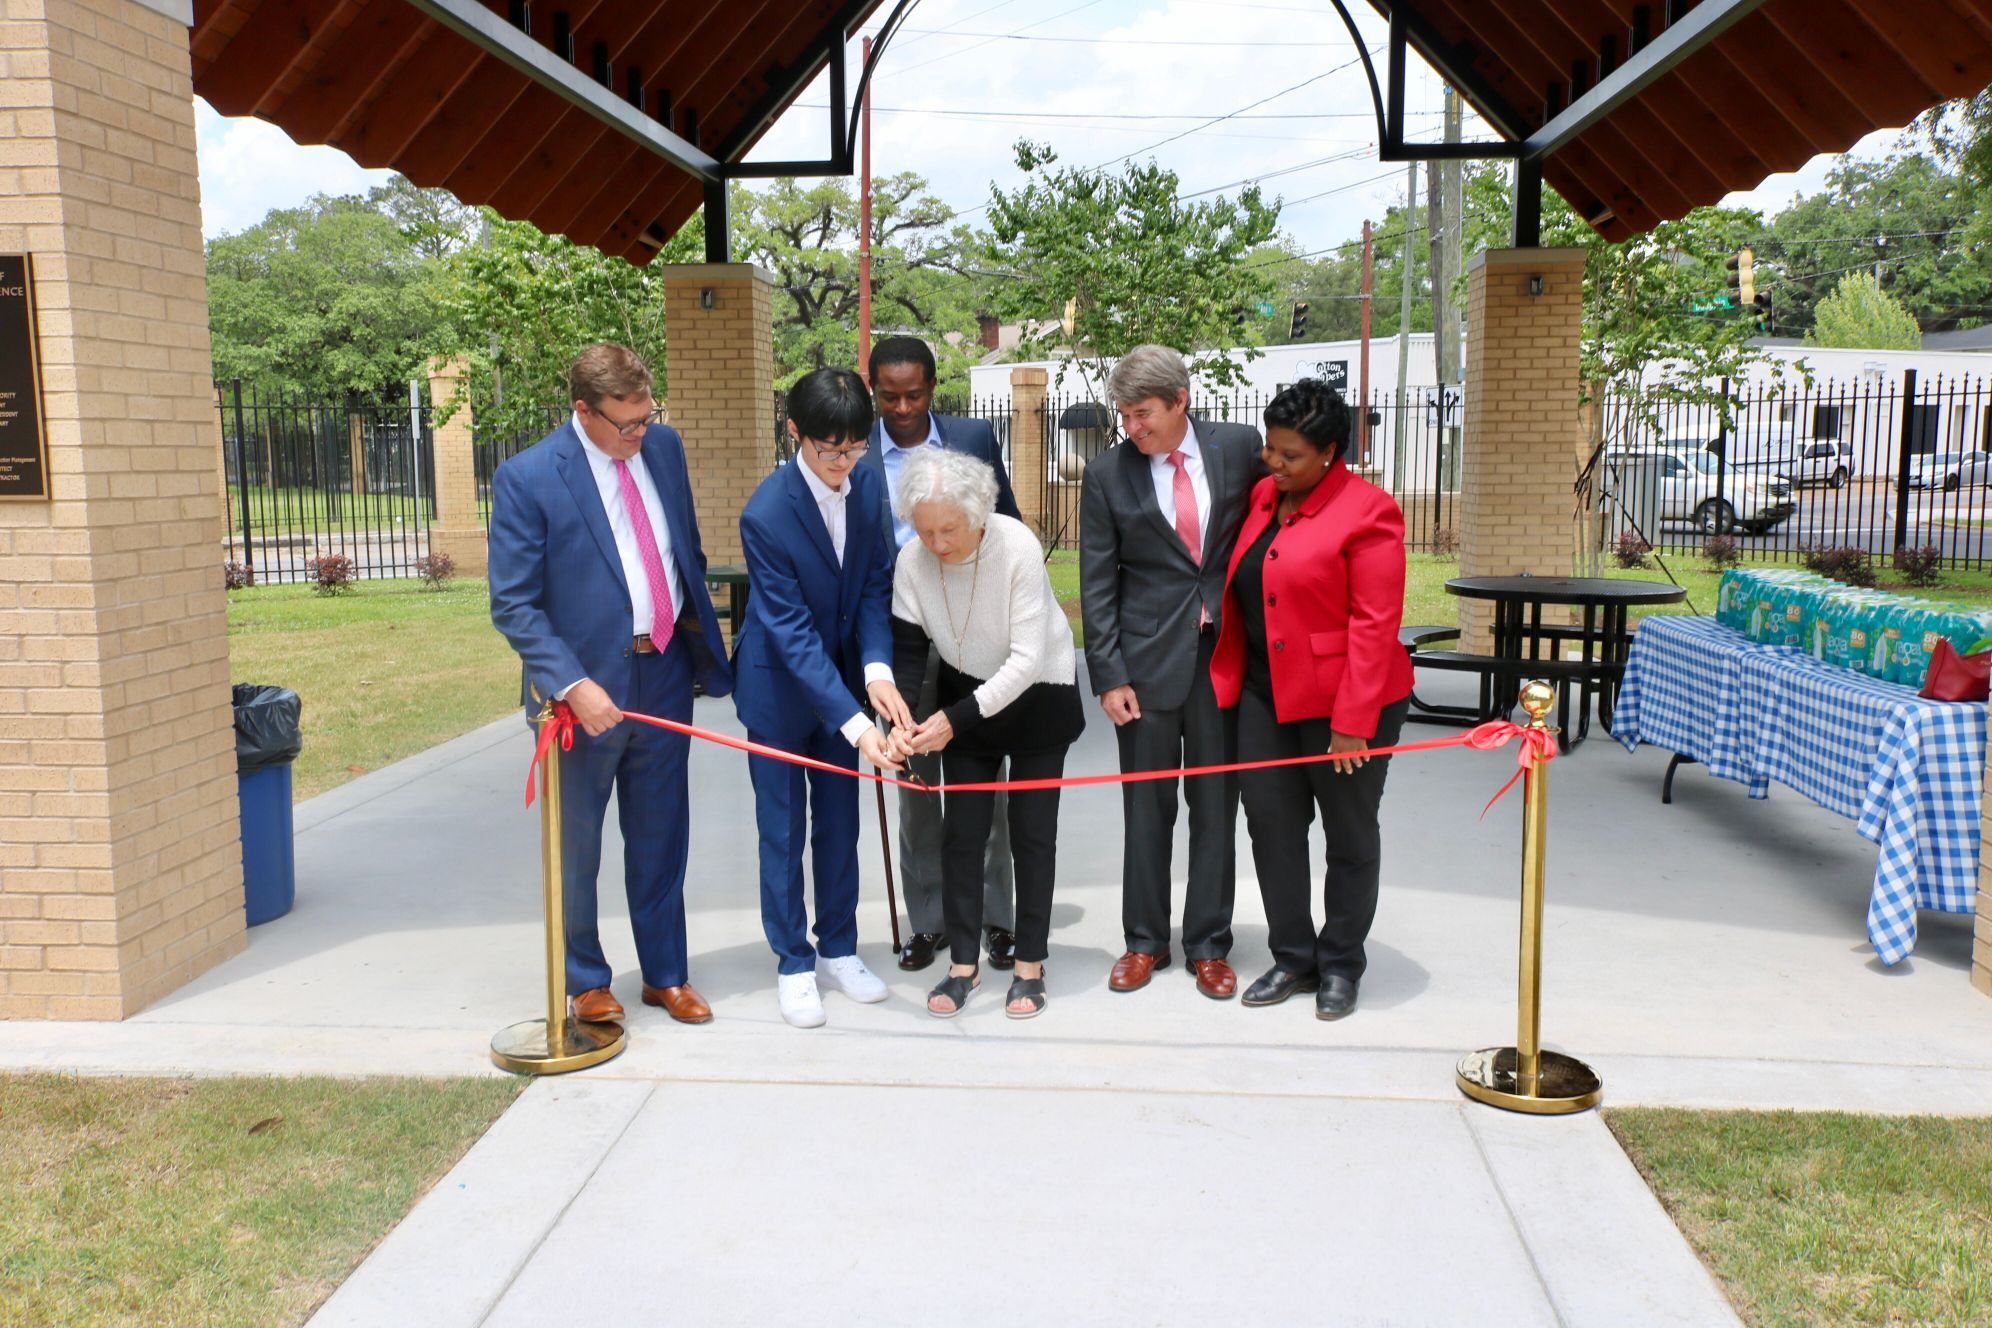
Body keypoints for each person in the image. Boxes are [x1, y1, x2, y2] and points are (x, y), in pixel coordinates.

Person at [488, 343, 734, 1027]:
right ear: (582, 412)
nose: (640, 434)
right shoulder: (529, 477)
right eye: (625, 424)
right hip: (582, 697)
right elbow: (513, 603)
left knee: (661, 837)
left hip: (662, 673)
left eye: (646, 419)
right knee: (579, 845)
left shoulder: (664, 450)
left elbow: (683, 547)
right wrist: (570, 683)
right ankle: (587, 980)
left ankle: (665, 974)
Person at [1209, 380, 1415, 1021]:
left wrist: (1353, 724)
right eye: (1270, 449)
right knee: (1272, 828)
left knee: (1349, 833)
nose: (1272, 463)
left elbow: (1375, 624)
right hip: (1265, 696)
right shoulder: (1264, 496)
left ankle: (1342, 964)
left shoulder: (1369, 511)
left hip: (1349, 705)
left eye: (1288, 454)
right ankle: (1294, 956)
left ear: (1329, 452)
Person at [1078, 344, 1264, 1000]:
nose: (1133, 427)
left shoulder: (1240, 447)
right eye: (1125, 415)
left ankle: (1209, 944)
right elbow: (1096, 582)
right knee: (1146, 808)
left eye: (1143, 413)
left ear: (1180, 400)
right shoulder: (1106, 476)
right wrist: (1108, 674)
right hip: (1144, 668)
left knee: (1216, 806)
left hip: (1222, 662)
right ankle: (1144, 941)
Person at [734, 367, 912, 1029]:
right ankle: (792, 961)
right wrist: (854, 723)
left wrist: (875, 673)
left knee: (841, 824)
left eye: (854, 448)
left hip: (842, 680)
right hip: (781, 690)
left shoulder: (868, 484)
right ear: (794, 433)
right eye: (829, 450)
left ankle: (839, 946)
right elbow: (790, 631)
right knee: (782, 829)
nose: (843, 463)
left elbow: (873, 583)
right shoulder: (767, 514)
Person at [886, 449, 1082, 1019]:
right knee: (961, 836)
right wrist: (900, 722)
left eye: (949, 529)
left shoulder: (1015, 544)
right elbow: (908, 653)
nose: (938, 544)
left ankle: (1029, 965)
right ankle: (963, 966)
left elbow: (1025, 660)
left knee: (1031, 835)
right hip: (965, 697)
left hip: (1037, 695)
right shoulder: (911, 561)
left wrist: (953, 721)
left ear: (979, 514)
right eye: (926, 531)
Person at [859, 335, 1024, 975]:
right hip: (902, 637)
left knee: (987, 781)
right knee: (916, 784)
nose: (902, 409)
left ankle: (996, 920)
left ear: (934, 387)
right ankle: (927, 922)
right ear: (872, 389)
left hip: (975, 631)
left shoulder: (974, 439)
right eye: (889, 396)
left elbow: (1006, 523)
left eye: (915, 394)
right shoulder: (859, 453)